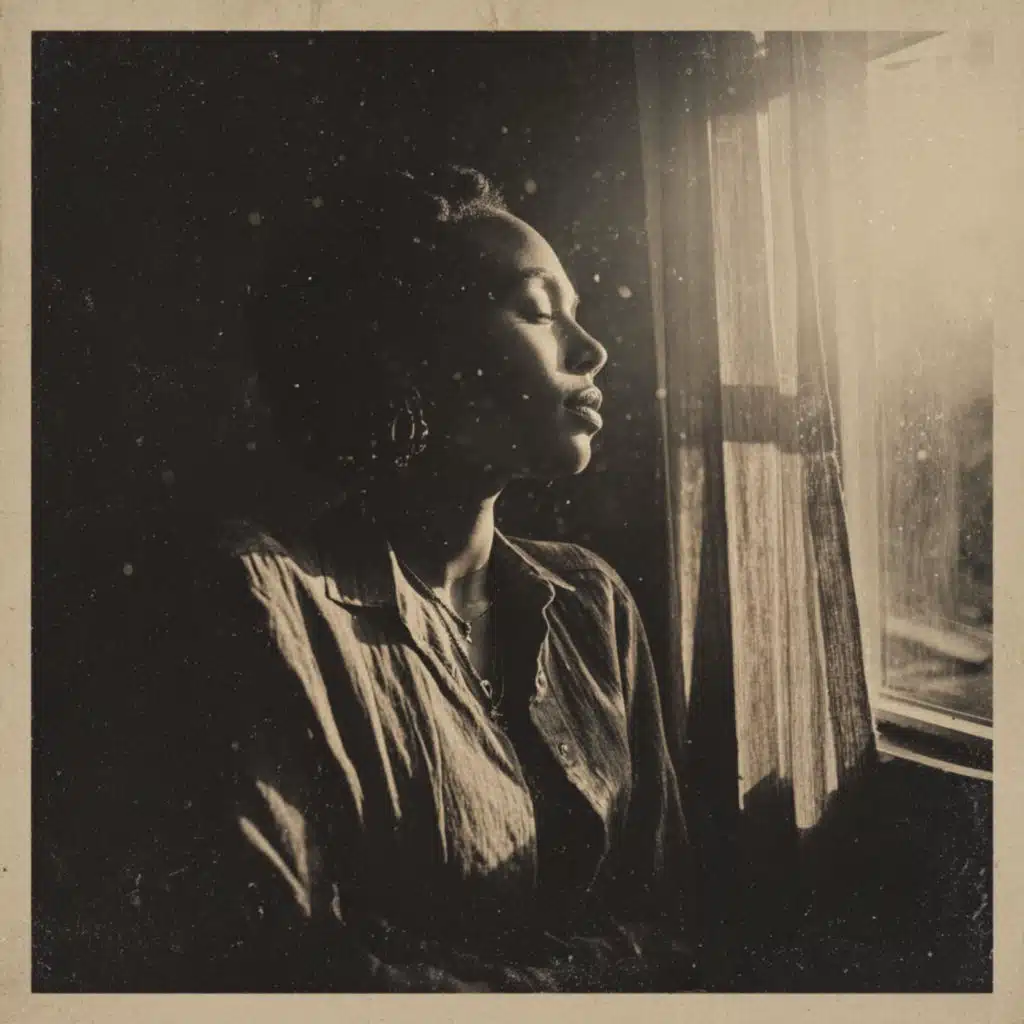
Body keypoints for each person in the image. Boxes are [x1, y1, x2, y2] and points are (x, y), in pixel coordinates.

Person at [157, 164, 698, 992]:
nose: (592, 351)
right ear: (405, 354)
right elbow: (292, 966)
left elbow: (665, 917)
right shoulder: (265, 600)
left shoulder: (591, 602)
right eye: (538, 311)